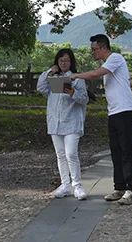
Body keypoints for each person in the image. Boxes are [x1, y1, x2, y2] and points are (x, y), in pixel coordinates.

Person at [72, 34, 132, 205]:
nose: (92, 53)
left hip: (124, 112)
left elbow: (95, 74)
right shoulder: (108, 64)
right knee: (116, 151)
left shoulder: (115, 58)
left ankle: (131, 189)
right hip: (114, 112)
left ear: (102, 47)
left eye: (94, 49)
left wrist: (75, 76)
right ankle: (120, 187)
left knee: (127, 151)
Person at [37, 48, 89, 201]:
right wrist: (49, 71)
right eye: (60, 61)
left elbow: (84, 99)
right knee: (60, 155)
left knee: (71, 153)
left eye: (66, 60)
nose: (63, 63)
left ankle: (77, 185)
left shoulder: (77, 78)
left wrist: (72, 92)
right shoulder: (53, 77)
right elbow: (40, 88)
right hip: (55, 122)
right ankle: (65, 184)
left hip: (71, 121)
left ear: (71, 61)